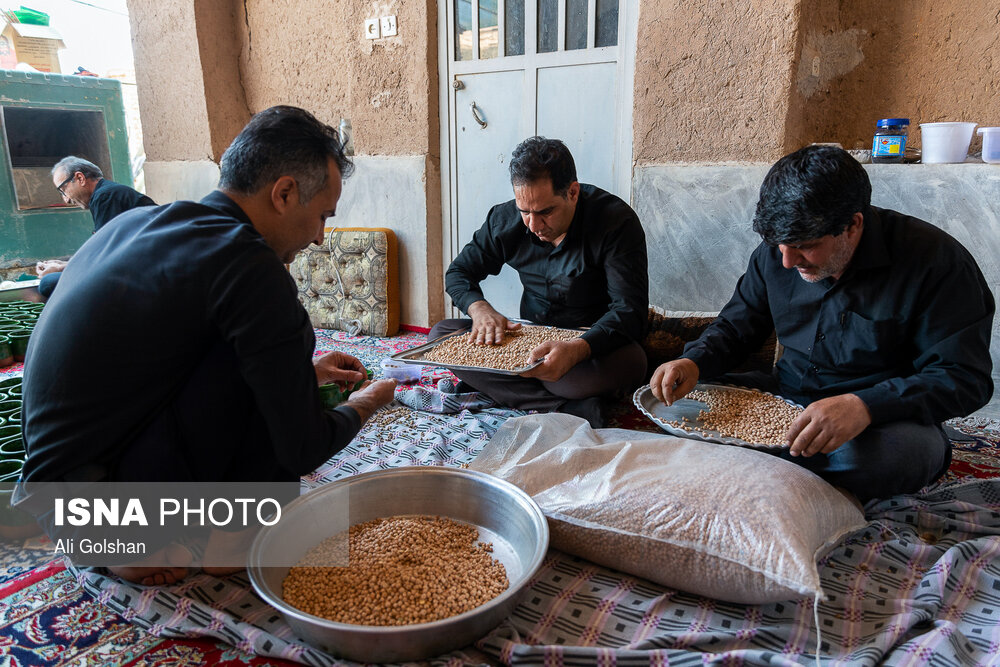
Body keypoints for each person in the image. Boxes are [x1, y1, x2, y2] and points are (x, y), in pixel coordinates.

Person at [17, 106, 397, 584]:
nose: (320, 237)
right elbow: (302, 447)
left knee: (272, 357)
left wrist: (306, 371)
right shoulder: (248, 266)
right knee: (277, 371)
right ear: (283, 193)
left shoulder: (139, 224)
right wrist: (366, 403)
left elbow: (149, 361)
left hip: (57, 504)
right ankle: (231, 539)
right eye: (321, 215)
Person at [650, 145, 994, 503]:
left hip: (880, 418)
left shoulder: (936, 262)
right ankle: (783, 468)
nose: (786, 261)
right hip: (786, 394)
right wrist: (694, 362)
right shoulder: (778, 252)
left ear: (853, 225)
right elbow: (737, 326)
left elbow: (963, 378)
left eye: (805, 247)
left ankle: (759, 467)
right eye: (780, 246)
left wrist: (864, 406)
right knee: (684, 408)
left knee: (896, 456)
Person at [431, 136, 648, 426]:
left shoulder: (615, 223)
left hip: (592, 344)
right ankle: (565, 405)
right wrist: (479, 308)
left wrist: (577, 349)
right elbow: (458, 273)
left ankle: (506, 387)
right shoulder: (505, 219)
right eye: (525, 212)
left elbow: (630, 312)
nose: (533, 225)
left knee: (633, 361)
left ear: (572, 192)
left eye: (545, 212)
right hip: (528, 337)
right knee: (441, 336)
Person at [37, 156, 157, 298]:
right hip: (136, 263)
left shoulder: (106, 196)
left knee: (48, 283)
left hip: (146, 266)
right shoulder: (105, 194)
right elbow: (102, 250)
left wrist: (62, 268)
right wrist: (66, 264)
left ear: (80, 178)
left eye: (63, 190)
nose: (66, 199)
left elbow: (105, 255)